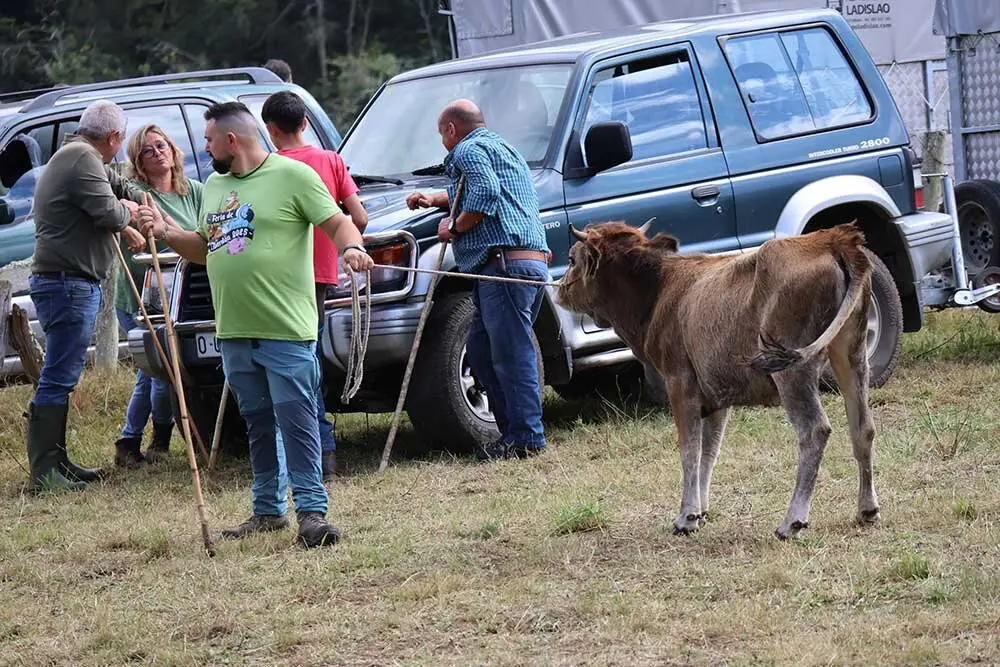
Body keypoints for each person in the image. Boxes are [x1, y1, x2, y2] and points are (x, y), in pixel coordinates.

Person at [138, 101, 373, 548]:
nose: (204, 148)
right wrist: (166, 231)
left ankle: (312, 512)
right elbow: (206, 250)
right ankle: (267, 510)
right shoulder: (214, 187)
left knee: (297, 419)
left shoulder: (293, 176)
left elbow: (340, 222)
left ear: (232, 140)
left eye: (209, 141)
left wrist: (351, 249)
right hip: (233, 330)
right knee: (259, 422)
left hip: (285, 326)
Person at [406, 99, 550, 462]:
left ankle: (527, 438)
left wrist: (452, 227)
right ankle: (512, 434)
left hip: (504, 267)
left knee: (511, 354)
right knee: (484, 354)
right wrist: (437, 199)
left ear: (452, 130)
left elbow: (484, 194)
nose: (444, 144)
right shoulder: (504, 148)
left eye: (442, 136)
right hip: (525, 265)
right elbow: (479, 188)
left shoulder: (467, 150)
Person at [26, 99, 142, 492]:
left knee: (64, 373)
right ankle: (45, 472)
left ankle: (57, 462)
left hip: (66, 282)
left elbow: (115, 183)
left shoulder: (79, 155)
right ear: (113, 137)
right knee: (59, 376)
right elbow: (109, 212)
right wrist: (128, 213)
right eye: (121, 141)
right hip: (67, 283)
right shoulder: (81, 159)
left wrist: (135, 197)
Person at [260, 90, 368, 481]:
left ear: (269, 130)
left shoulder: (268, 169)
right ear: (305, 123)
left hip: (276, 282)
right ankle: (324, 453)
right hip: (320, 279)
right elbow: (359, 217)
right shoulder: (331, 161)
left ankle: (313, 452)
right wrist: (343, 247)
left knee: (292, 367)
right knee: (308, 363)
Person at [112, 124, 205, 468]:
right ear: (138, 161)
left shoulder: (193, 189)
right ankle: (131, 440)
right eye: (148, 150)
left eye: (161, 144)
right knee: (157, 370)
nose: (157, 152)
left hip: (186, 296)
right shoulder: (136, 193)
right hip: (142, 297)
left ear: (173, 148)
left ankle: (156, 441)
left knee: (168, 368)